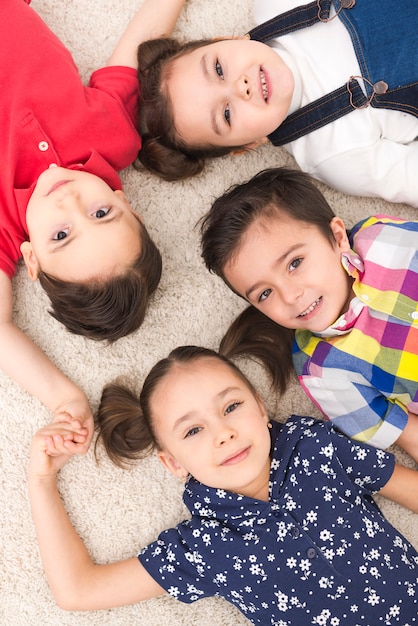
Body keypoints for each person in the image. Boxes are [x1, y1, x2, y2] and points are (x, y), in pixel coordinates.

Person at [29, 346, 418, 623]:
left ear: (260, 407)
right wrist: (41, 479)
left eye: (231, 407)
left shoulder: (315, 447)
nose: (224, 433)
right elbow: (78, 590)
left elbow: (406, 487)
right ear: (173, 462)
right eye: (194, 430)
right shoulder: (204, 544)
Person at [1, 0, 185, 441]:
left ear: (32, 258)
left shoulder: (6, 230)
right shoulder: (114, 138)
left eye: (61, 235)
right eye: (101, 214)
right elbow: (138, 44)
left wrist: (63, 397)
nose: (70, 203)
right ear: (127, 203)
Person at [200, 167, 418, 464]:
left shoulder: (382, 239)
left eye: (295, 263)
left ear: (337, 236)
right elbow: (410, 435)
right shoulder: (322, 372)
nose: (290, 297)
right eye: (264, 294)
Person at [135, 0, 418, 207]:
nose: (240, 87)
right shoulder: (334, 156)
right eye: (226, 114)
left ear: (225, 39)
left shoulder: (276, 6)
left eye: (219, 69)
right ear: (250, 144)